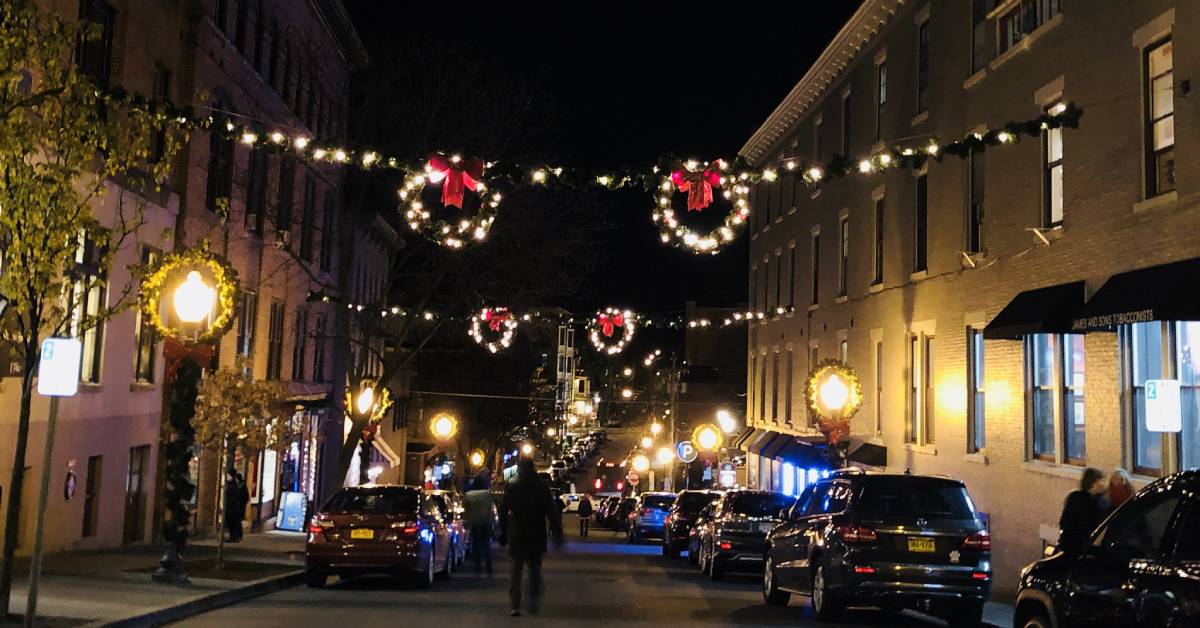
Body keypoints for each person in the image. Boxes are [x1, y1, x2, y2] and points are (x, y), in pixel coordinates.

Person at [499, 458, 564, 617]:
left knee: (516, 571)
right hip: (536, 533)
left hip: (518, 533)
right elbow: (551, 511)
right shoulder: (542, 487)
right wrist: (556, 532)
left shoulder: (513, 486)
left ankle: (515, 604)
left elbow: (503, 510)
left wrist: (503, 531)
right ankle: (533, 600)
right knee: (534, 570)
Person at [1058, 467, 1107, 554]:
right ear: (1093, 484)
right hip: (1080, 549)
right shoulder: (1088, 503)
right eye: (1101, 481)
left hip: (1068, 546)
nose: (1103, 484)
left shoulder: (1074, 498)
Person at [463, 470, 495, 575]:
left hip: (475, 522)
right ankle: (488, 564)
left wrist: (467, 522)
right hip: (486, 521)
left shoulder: (468, 495)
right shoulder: (487, 495)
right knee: (486, 544)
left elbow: (466, 510)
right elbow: (490, 508)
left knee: (476, 544)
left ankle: (478, 564)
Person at [224, 470, 247, 542]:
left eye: (228, 475)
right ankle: (234, 537)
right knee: (233, 523)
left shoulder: (234, 485)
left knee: (233, 523)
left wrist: (227, 504)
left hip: (233, 508)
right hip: (232, 508)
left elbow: (234, 497)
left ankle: (234, 537)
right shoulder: (232, 484)